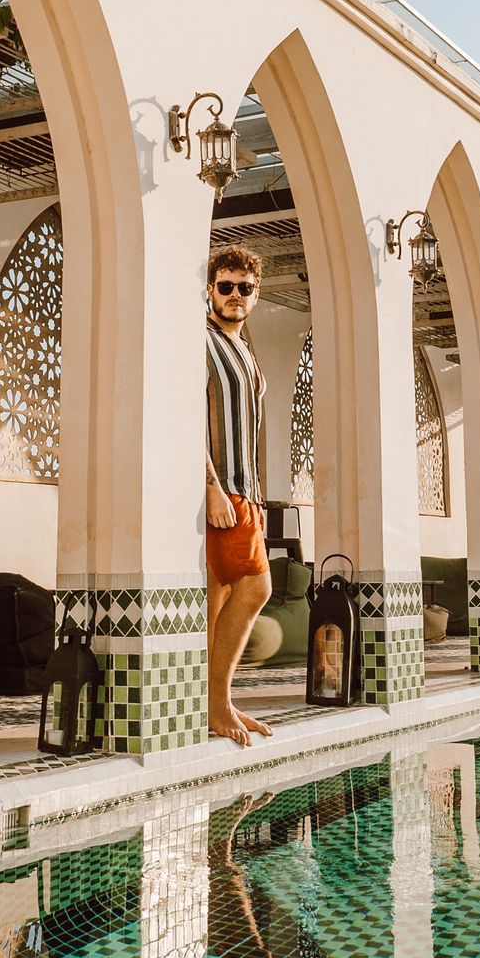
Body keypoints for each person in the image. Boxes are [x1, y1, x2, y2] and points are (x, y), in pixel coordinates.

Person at [205, 245, 275, 747]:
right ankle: (217, 703)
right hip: (222, 488)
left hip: (245, 491)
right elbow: (187, 418)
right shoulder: (201, 340)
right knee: (257, 589)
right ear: (210, 288)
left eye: (243, 288)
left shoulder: (243, 347)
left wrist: (256, 497)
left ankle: (213, 702)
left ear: (255, 295)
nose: (234, 295)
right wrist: (210, 487)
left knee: (221, 597)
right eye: (225, 286)